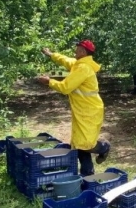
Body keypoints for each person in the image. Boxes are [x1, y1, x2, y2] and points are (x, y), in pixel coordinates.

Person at [36, 40, 110, 176]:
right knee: (78, 144)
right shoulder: (80, 63)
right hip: (82, 110)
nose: (75, 51)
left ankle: (104, 147)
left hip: (89, 111)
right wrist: (51, 54)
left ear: (82, 51)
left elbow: (65, 87)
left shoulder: (83, 68)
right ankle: (87, 175)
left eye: (77, 49)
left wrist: (49, 82)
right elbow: (66, 60)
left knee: (85, 144)